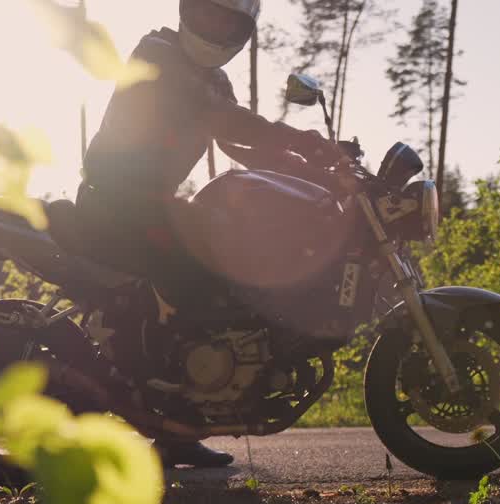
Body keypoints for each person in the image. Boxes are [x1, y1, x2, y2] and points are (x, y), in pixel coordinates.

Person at [76, 0, 337, 468]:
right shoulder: (157, 53)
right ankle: (159, 398)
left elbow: (237, 141)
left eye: (228, 19)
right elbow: (220, 118)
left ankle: (182, 421)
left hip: (151, 206)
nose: (216, 27)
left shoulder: (215, 80)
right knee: (205, 280)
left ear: (242, 30)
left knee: (223, 286)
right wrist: (297, 139)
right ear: (187, 9)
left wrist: (307, 165)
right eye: (209, 12)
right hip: (115, 202)